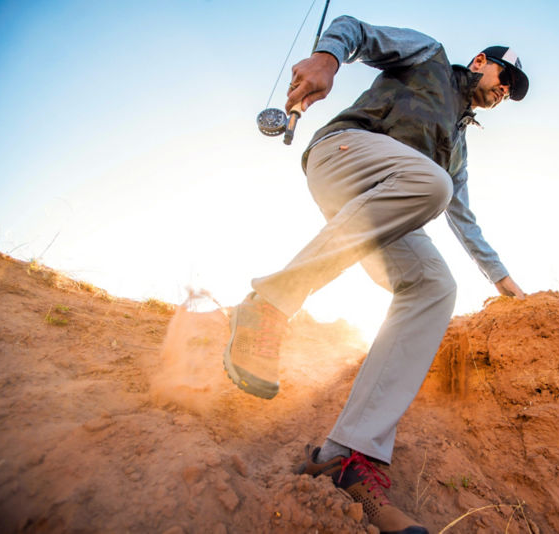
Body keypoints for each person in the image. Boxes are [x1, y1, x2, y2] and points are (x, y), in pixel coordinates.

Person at [223, 15, 529, 534]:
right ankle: (269, 304)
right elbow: (354, 29)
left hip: (386, 203)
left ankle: (345, 457)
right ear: (481, 62)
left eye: (512, 91)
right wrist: (327, 58)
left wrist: (507, 287)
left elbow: (465, 222)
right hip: (343, 153)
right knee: (433, 184)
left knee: (435, 285)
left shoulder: (456, 144)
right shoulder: (427, 55)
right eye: (505, 79)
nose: (504, 92)